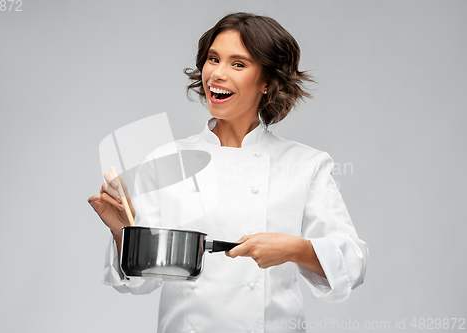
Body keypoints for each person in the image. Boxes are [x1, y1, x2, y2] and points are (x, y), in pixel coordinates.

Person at [88, 12, 368, 333]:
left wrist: (293, 248)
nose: (217, 74)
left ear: (266, 82)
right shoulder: (169, 160)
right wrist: (124, 234)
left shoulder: (305, 165)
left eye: (238, 64)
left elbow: (353, 264)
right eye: (213, 59)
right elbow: (140, 282)